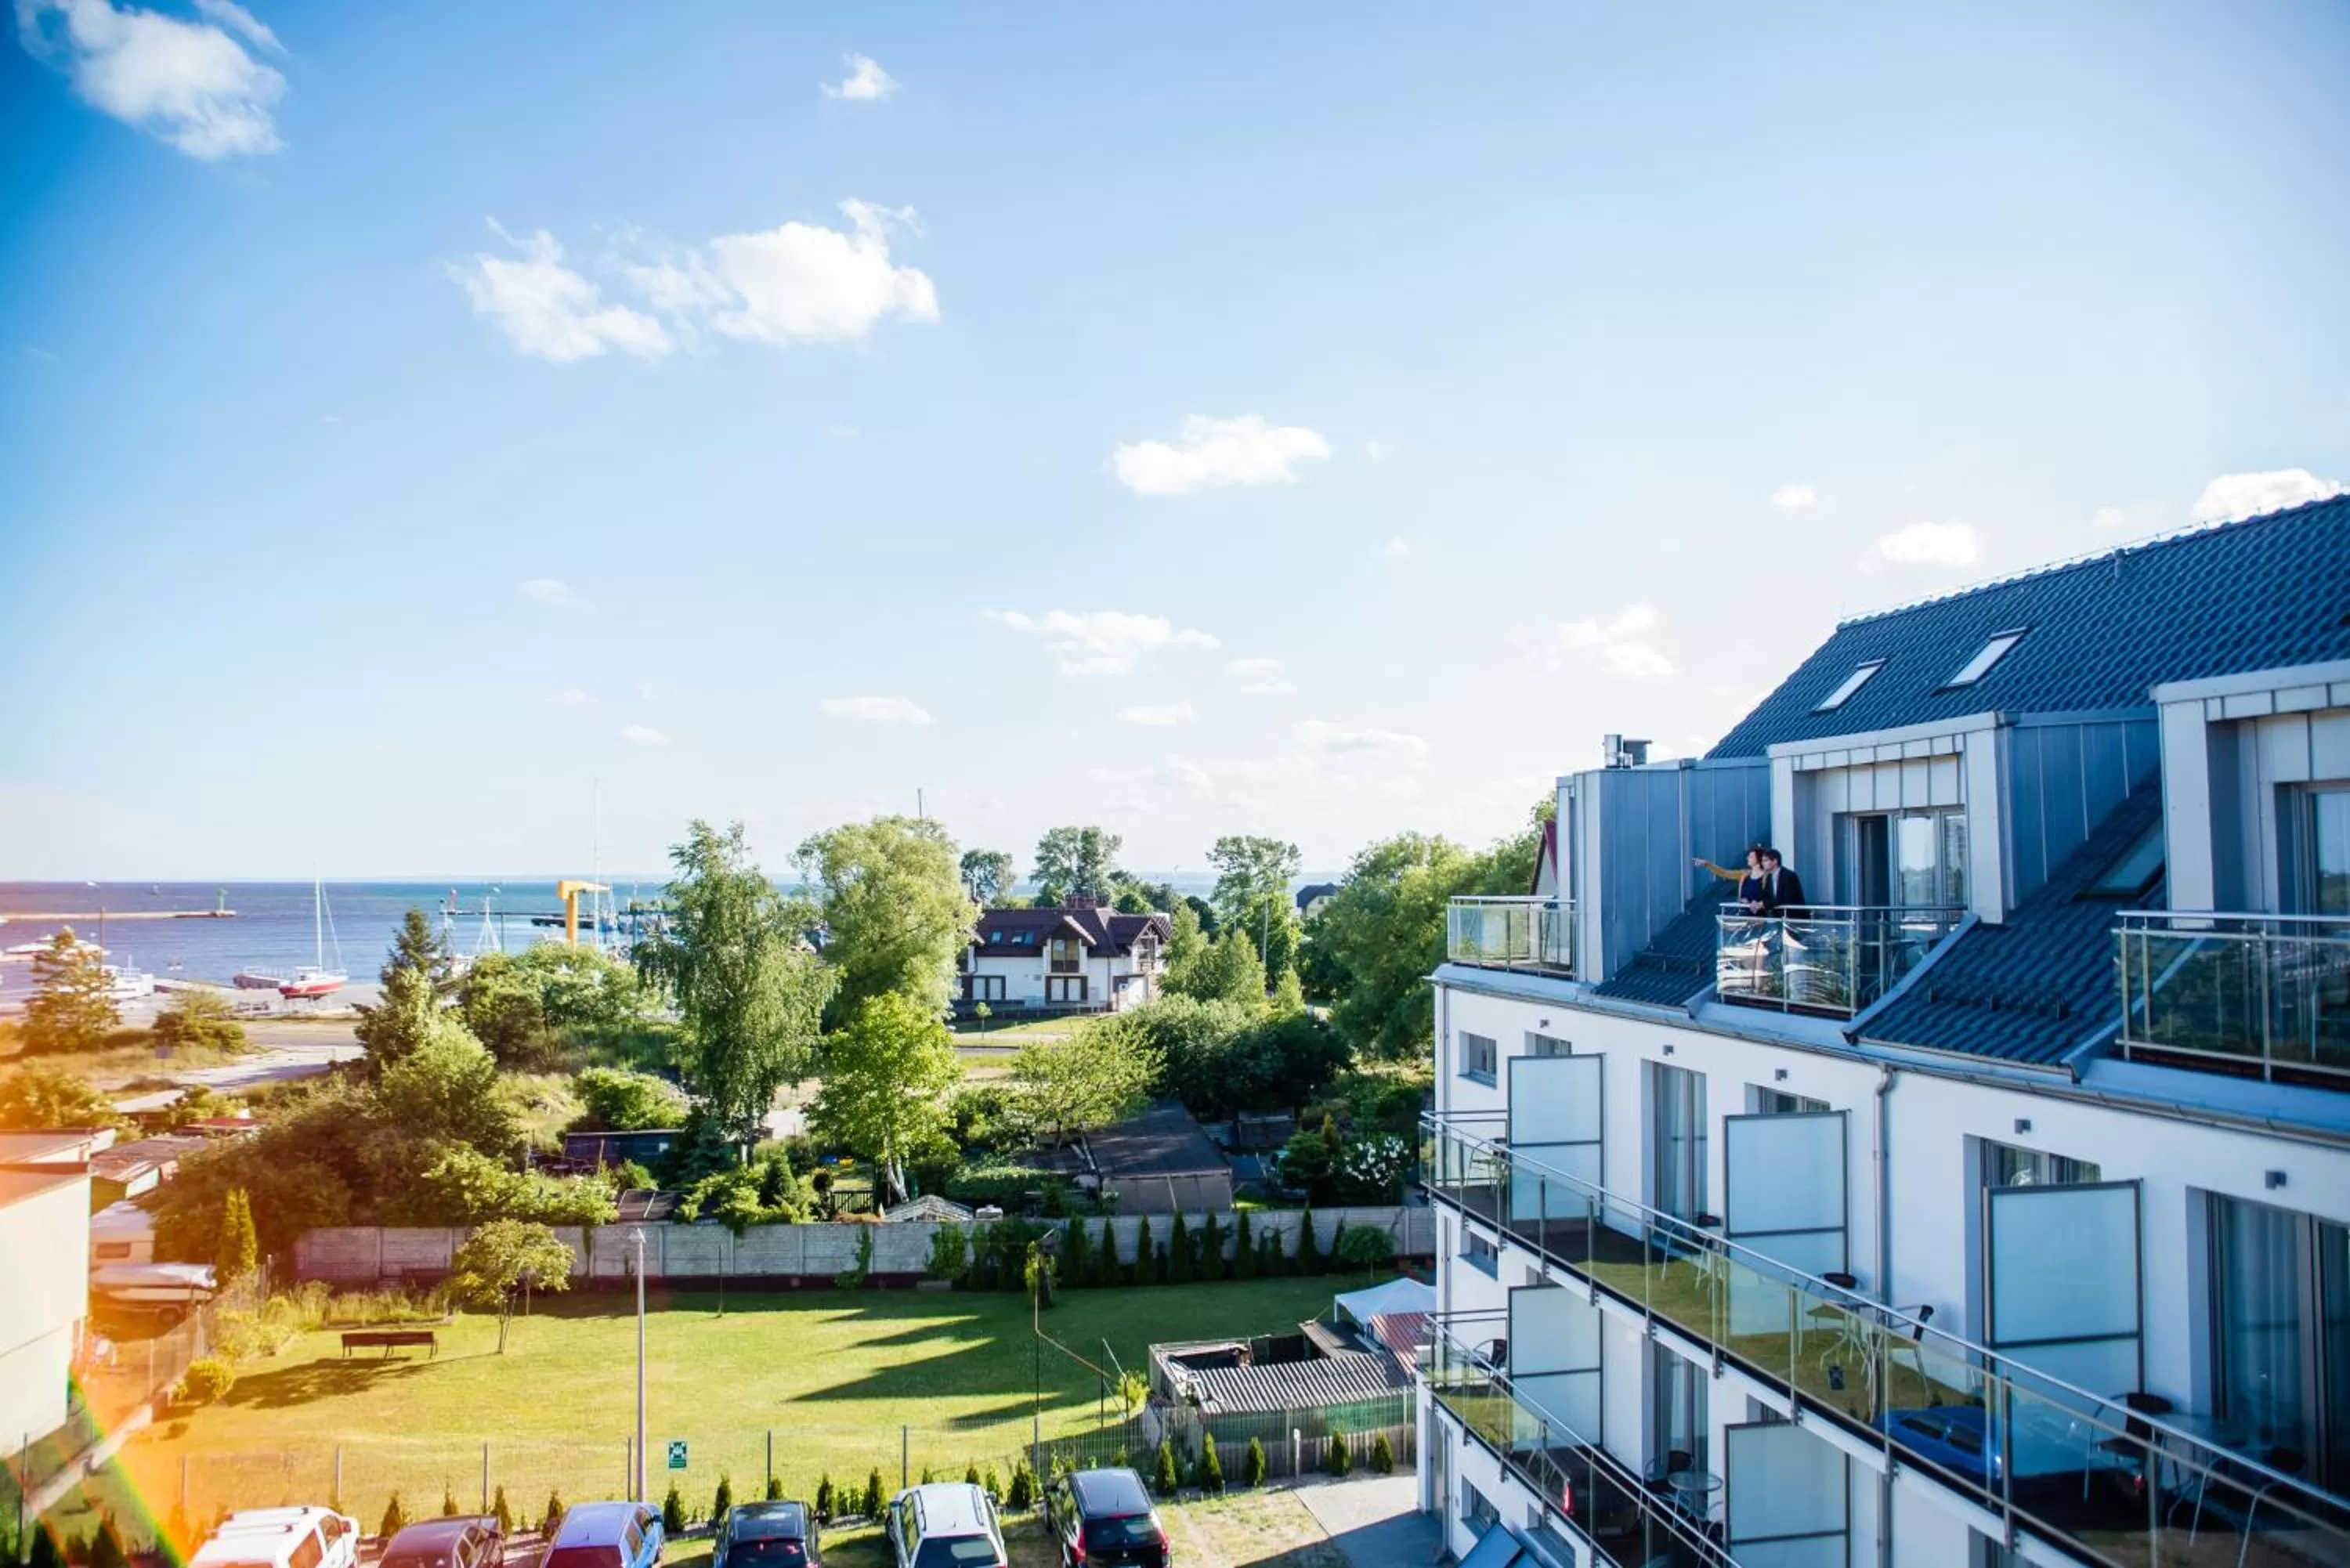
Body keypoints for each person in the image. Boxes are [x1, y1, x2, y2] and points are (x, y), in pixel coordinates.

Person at [1692, 847, 1768, 912]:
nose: (1747, 858)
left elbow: (1770, 897)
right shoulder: (1744, 875)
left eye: (1751, 857)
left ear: (1759, 860)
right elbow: (1725, 873)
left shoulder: (1767, 877)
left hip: (1762, 916)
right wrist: (1708, 864)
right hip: (1745, 915)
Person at [1757, 848, 1808, 914]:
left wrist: (1765, 904)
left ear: (1775, 861)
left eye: (1765, 860)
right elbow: (1766, 895)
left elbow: (1787, 898)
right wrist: (1756, 902)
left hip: (1793, 917)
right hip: (1778, 916)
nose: (1762, 863)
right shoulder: (1769, 877)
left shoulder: (1788, 876)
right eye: (1762, 861)